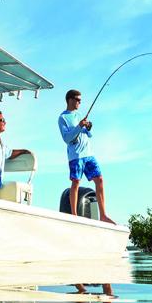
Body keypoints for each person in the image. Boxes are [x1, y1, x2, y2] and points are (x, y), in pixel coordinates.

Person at [58, 89, 114, 223]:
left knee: (99, 179)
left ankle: (103, 215)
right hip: (76, 156)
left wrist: (88, 127)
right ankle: (74, 215)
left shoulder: (80, 114)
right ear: (70, 100)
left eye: (80, 100)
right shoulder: (63, 118)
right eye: (77, 100)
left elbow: (88, 134)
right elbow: (67, 138)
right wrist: (78, 126)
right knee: (76, 182)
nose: (79, 103)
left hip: (89, 153)